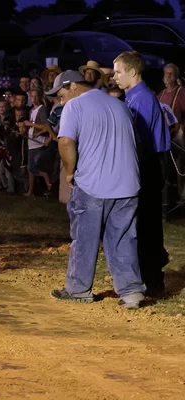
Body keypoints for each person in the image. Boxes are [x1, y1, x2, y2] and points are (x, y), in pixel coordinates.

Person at [46, 70, 146, 309]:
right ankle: (132, 292)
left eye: (60, 95)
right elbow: (137, 145)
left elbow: (66, 142)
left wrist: (69, 172)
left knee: (84, 237)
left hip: (93, 184)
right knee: (123, 238)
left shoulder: (74, 106)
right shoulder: (118, 104)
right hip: (128, 184)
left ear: (72, 86)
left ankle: (78, 289)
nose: (61, 102)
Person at [114, 51, 171, 298]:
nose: (114, 76)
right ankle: (152, 273)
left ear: (133, 72)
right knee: (145, 221)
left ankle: (153, 279)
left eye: (118, 71)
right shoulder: (134, 97)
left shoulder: (142, 99)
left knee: (146, 222)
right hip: (147, 161)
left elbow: (139, 141)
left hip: (147, 163)